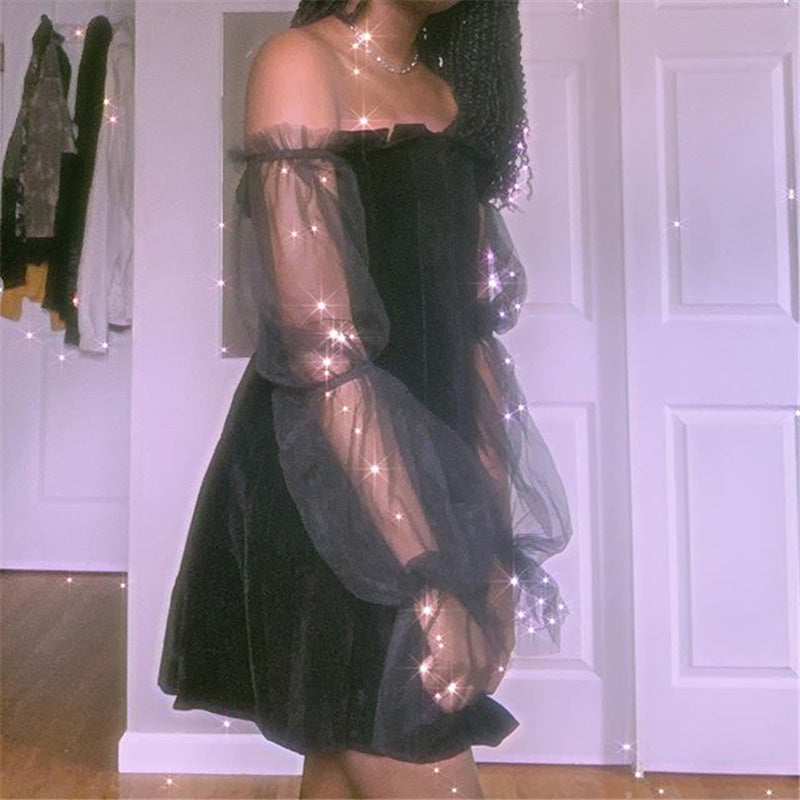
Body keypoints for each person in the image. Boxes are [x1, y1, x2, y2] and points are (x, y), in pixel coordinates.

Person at [158, 1, 574, 797]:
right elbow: (321, 347)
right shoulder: (299, 64)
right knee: (407, 739)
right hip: (328, 488)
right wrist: (423, 575)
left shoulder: (448, 95)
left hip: (429, 482)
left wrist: (491, 547)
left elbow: (471, 341)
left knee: (346, 763)